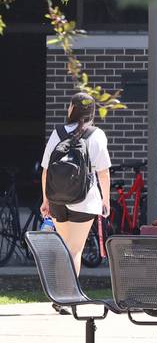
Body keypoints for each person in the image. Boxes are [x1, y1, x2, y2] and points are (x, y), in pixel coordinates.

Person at [40, 93, 111, 275]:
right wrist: (106, 201)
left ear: (72, 109)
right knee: (74, 250)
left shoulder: (58, 132)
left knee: (64, 247)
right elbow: (103, 173)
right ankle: (67, 296)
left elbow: (46, 170)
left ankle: (59, 295)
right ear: (92, 111)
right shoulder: (97, 135)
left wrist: (46, 200)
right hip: (85, 201)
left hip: (57, 199)